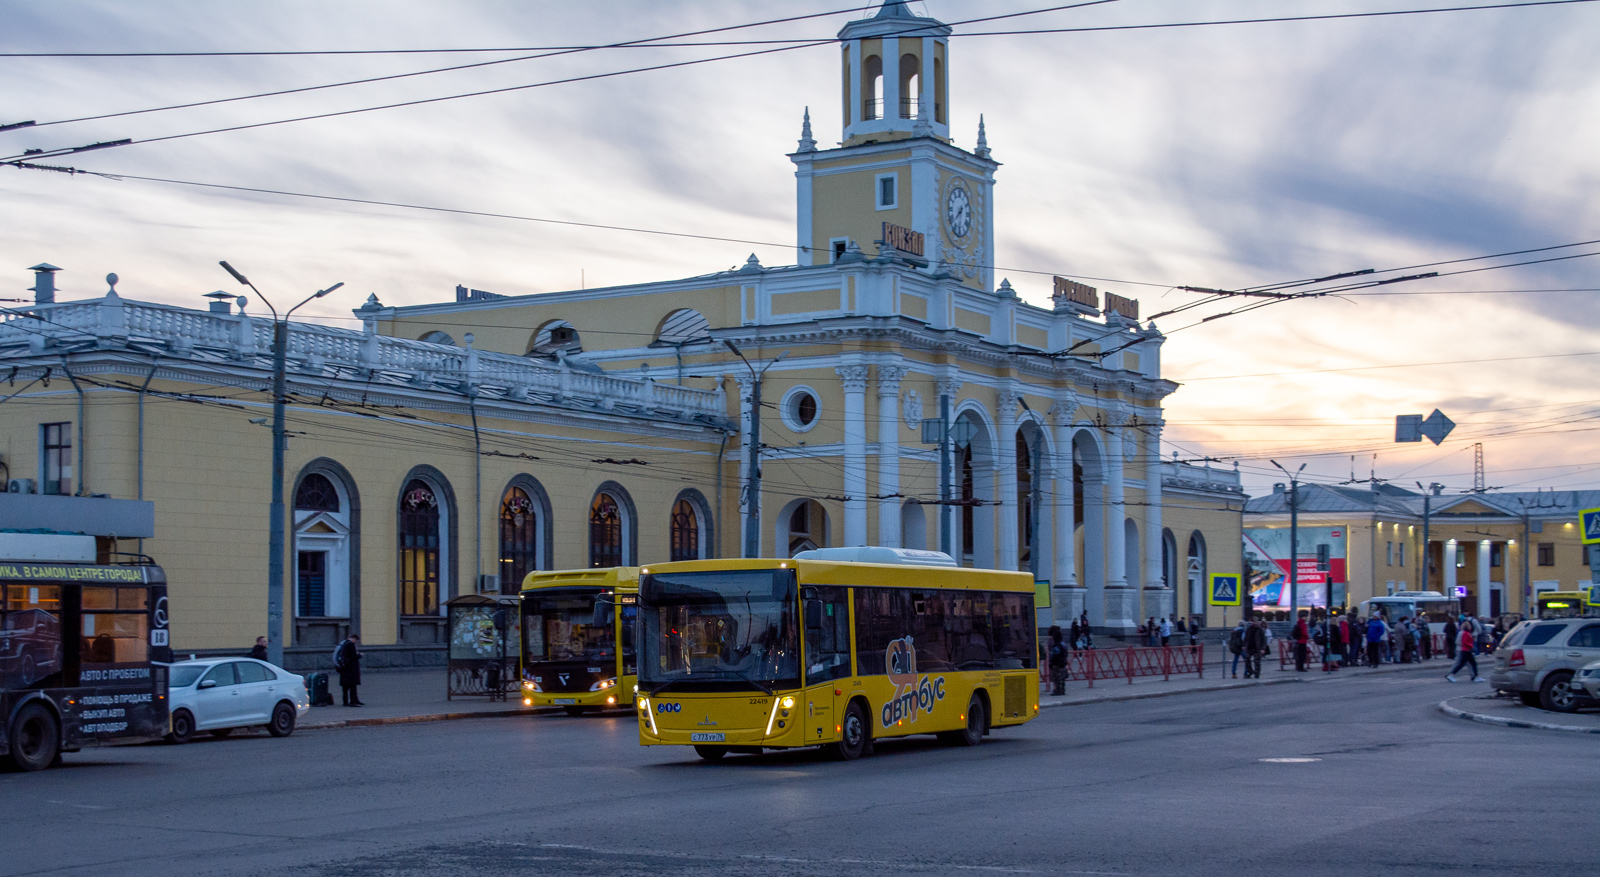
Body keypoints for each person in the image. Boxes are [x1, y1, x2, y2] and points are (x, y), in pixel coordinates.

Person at [1446, 617, 1484, 682]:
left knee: (1465, 663)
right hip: (1466, 650)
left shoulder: (1464, 633)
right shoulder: (1466, 633)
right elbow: (1465, 642)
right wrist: (1471, 646)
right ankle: (1475, 676)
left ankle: (1475, 676)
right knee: (1468, 663)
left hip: (1465, 650)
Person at [335, 633, 364, 706]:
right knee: (352, 685)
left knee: (345, 686)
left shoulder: (344, 644)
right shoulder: (350, 645)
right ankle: (353, 701)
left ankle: (345, 702)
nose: (356, 642)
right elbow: (353, 657)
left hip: (344, 668)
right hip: (351, 668)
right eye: (356, 640)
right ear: (353, 639)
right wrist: (360, 655)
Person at [1048, 625, 1068, 696]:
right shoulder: (1063, 644)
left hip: (1057, 664)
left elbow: (1053, 655)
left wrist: (1051, 663)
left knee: (1057, 678)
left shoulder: (1056, 645)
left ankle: (1057, 690)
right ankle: (1062, 690)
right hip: (1063, 663)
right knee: (1062, 678)